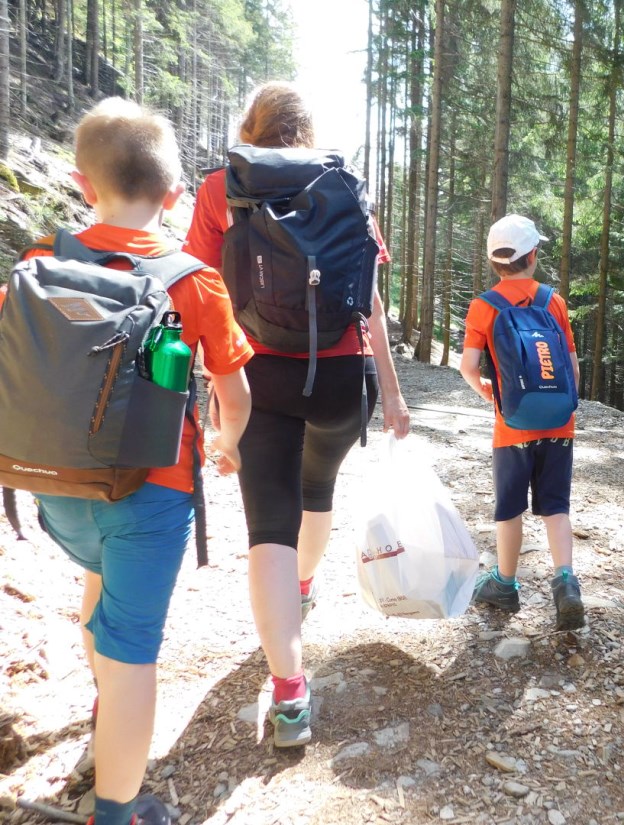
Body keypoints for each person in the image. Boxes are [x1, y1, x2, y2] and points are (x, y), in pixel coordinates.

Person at [4, 98, 253, 825]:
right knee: (136, 649)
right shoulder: (194, 280)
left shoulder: (37, 262)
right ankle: (117, 807)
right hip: (148, 492)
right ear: (174, 195)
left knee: (95, 584)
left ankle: (103, 707)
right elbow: (234, 394)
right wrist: (225, 440)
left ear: (84, 185)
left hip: (54, 485)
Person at [184, 82, 410, 748]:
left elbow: (201, 294)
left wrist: (210, 399)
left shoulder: (219, 187)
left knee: (268, 528)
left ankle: (289, 693)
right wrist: (392, 396)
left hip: (259, 375)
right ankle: (304, 587)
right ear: (306, 131)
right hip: (342, 378)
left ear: (249, 127)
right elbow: (368, 304)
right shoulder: (345, 184)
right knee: (319, 490)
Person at [459, 214, 585, 631]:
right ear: (532, 256)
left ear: (495, 261)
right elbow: (571, 366)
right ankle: (565, 581)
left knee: (509, 508)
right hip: (559, 425)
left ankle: (505, 584)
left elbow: (468, 367)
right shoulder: (555, 301)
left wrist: (492, 396)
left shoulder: (484, 305)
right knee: (556, 507)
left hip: (511, 425)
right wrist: (567, 407)